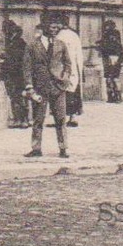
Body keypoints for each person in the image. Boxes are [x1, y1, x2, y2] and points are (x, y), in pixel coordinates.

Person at [23, 15, 74, 158]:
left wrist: (65, 77)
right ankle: (36, 148)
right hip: (40, 87)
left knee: (61, 119)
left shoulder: (61, 44)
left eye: (57, 28)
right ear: (44, 27)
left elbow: (68, 64)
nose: (55, 30)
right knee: (38, 120)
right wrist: (29, 87)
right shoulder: (32, 45)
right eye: (52, 27)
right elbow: (27, 68)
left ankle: (63, 148)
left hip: (58, 87)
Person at [54, 13, 84, 127]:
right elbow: (79, 54)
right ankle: (73, 116)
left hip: (62, 67)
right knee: (73, 91)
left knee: (62, 91)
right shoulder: (74, 35)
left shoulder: (58, 36)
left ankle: (61, 117)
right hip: (74, 67)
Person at [1, 20, 29, 128]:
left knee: (20, 97)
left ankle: (24, 119)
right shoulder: (11, 42)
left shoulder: (19, 43)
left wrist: (6, 56)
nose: (3, 32)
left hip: (18, 74)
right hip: (13, 74)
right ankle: (18, 119)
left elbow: (17, 60)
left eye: (5, 30)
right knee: (15, 97)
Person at [99, 19, 123, 104]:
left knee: (111, 78)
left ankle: (113, 96)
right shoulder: (117, 40)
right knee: (113, 78)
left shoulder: (108, 36)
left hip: (111, 59)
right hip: (115, 59)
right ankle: (116, 96)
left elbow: (104, 48)